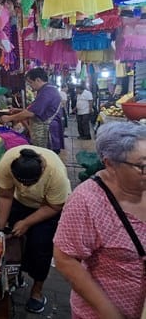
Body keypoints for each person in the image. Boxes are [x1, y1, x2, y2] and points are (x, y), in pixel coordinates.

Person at [53, 122, 146, 319]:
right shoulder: (87, 201)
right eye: (143, 166)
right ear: (110, 164)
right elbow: (65, 259)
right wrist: (109, 313)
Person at [0, 145, 71, 314]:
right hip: (20, 203)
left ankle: (36, 292)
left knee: (40, 248)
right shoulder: (8, 161)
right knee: (12, 242)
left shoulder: (55, 172)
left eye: (29, 184)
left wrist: (26, 223)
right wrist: (0, 229)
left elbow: (54, 206)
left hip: (47, 207)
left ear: (42, 169)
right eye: (20, 182)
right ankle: (17, 275)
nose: (24, 187)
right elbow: (4, 195)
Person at [0, 67, 65, 153]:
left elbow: (31, 112)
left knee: (44, 158)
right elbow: (36, 109)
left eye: (30, 82)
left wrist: (9, 118)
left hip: (46, 133)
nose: (30, 86)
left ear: (38, 80)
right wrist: (17, 110)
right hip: (44, 129)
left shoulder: (47, 92)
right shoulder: (46, 90)